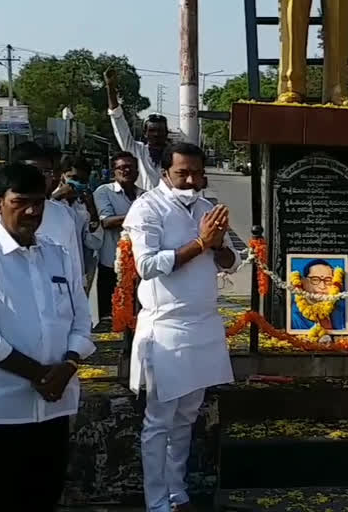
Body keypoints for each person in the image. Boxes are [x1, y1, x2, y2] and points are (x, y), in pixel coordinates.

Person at [0, 163, 95, 512]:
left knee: (44, 499)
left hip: (53, 406)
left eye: (39, 202)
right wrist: (39, 375)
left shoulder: (57, 254)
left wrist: (68, 365)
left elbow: (82, 322)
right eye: (20, 201)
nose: (32, 211)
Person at [123, 143, 239, 512]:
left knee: (187, 416)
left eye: (196, 173)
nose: (190, 180)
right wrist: (200, 243)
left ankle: (177, 492)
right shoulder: (147, 208)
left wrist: (216, 246)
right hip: (166, 328)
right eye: (182, 173)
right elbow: (147, 265)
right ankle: (156, 501)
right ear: (164, 173)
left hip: (203, 325)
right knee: (159, 421)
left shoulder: (208, 209)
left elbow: (231, 262)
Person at [0, 142, 83, 279]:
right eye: (34, 170)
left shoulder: (62, 214)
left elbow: (73, 270)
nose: (41, 177)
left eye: (47, 172)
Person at [94, 152, 144, 319]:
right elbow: (107, 222)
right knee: (111, 317)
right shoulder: (104, 191)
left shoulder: (144, 196)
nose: (126, 171)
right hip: (111, 265)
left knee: (138, 316)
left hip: (139, 265)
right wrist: (139, 216)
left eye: (130, 167)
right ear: (113, 171)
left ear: (137, 171)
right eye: (121, 168)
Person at [105, 69, 167, 190]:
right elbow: (117, 118)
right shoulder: (137, 150)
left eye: (160, 130)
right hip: (141, 204)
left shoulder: (174, 156)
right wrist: (110, 87)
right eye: (152, 130)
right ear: (145, 133)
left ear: (166, 133)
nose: (156, 134)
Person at [53, 156, 104, 293]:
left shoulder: (83, 206)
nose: (76, 183)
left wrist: (92, 211)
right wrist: (58, 196)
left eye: (82, 180)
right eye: (72, 178)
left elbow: (94, 243)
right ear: (63, 176)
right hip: (52, 272)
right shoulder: (50, 201)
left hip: (77, 273)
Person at [290, 259, 347, 334]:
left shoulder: (343, 312)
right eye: (315, 280)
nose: (322, 286)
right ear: (303, 282)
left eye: (328, 280)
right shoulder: (292, 317)